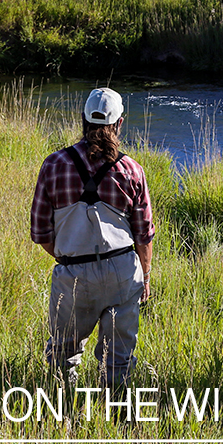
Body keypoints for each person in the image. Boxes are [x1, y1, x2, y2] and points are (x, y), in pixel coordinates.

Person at [30, 87, 155, 386]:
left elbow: (40, 233)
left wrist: (72, 256)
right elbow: (144, 236)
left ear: (83, 120)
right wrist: (145, 277)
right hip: (124, 272)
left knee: (62, 355)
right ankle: (117, 417)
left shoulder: (54, 164)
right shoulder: (132, 170)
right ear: (120, 123)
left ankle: (65, 412)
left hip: (73, 273)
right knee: (118, 360)